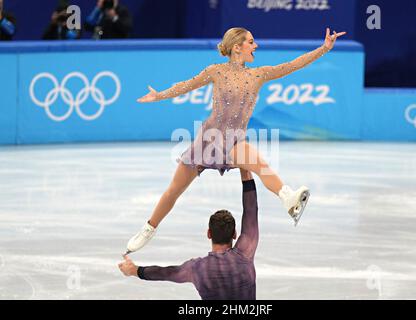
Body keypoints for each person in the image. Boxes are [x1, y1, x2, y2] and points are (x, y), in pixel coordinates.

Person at [126, 27, 346, 254]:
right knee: (174, 190)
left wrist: (323, 49)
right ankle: (149, 228)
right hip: (208, 140)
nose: (256, 46)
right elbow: (186, 85)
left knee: (262, 166)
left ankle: (287, 197)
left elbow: (292, 65)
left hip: (234, 142)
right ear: (237, 47)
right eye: (251, 42)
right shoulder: (216, 71)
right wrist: (159, 95)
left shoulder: (258, 74)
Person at [119, 169, 259, 300]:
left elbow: (165, 273)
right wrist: (244, 168)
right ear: (234, 234)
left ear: (209, 234)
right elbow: (251, 210)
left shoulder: (197, 268)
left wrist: (135, 270)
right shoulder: (245, 252)